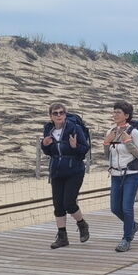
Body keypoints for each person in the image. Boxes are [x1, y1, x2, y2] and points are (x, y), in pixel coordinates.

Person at [41, 102, 90, 249]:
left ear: (65, 114)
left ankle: (82, 224)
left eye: (61, 113)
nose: (58, 115)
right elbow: (49, 152)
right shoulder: (48, 129)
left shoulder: (74, 128)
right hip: (56, 171)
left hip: (74, 170)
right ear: (50, 116)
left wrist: (75, 146)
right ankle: (62, 236)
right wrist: (45, 145)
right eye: (55, 113)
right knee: (58, 204)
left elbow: (84, 150)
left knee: (69, 203)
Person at [104, 101, 138, 252]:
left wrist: (128, 142)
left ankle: (126, 238)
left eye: (118, 112)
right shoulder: (111, 130)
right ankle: (133, 225)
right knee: (115, 208)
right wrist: (106, 143)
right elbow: (107, 155)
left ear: (126, 116)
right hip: (115, 174)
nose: (115, 115)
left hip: (131, 174)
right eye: (114, 112)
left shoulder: (133, 132)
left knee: (127, 208)